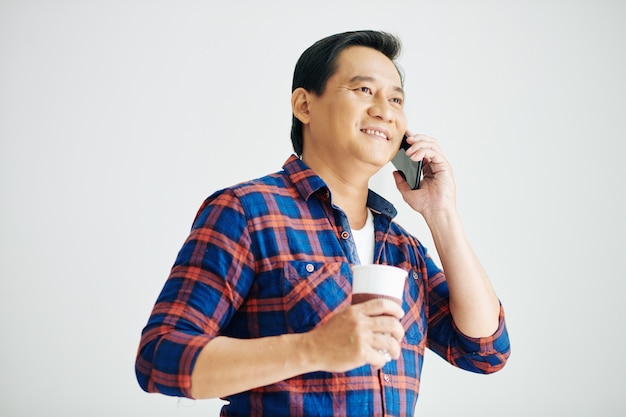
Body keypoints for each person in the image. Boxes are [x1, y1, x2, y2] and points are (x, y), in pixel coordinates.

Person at [135, 30, 510, 416]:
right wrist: (313, 348)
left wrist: (441, 213)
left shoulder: (402, 248)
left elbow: (484, 351)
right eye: (364, 90)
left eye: (396, 99)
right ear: (304, 105)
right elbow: (161, 358)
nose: (385, 110)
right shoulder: (247, 212)